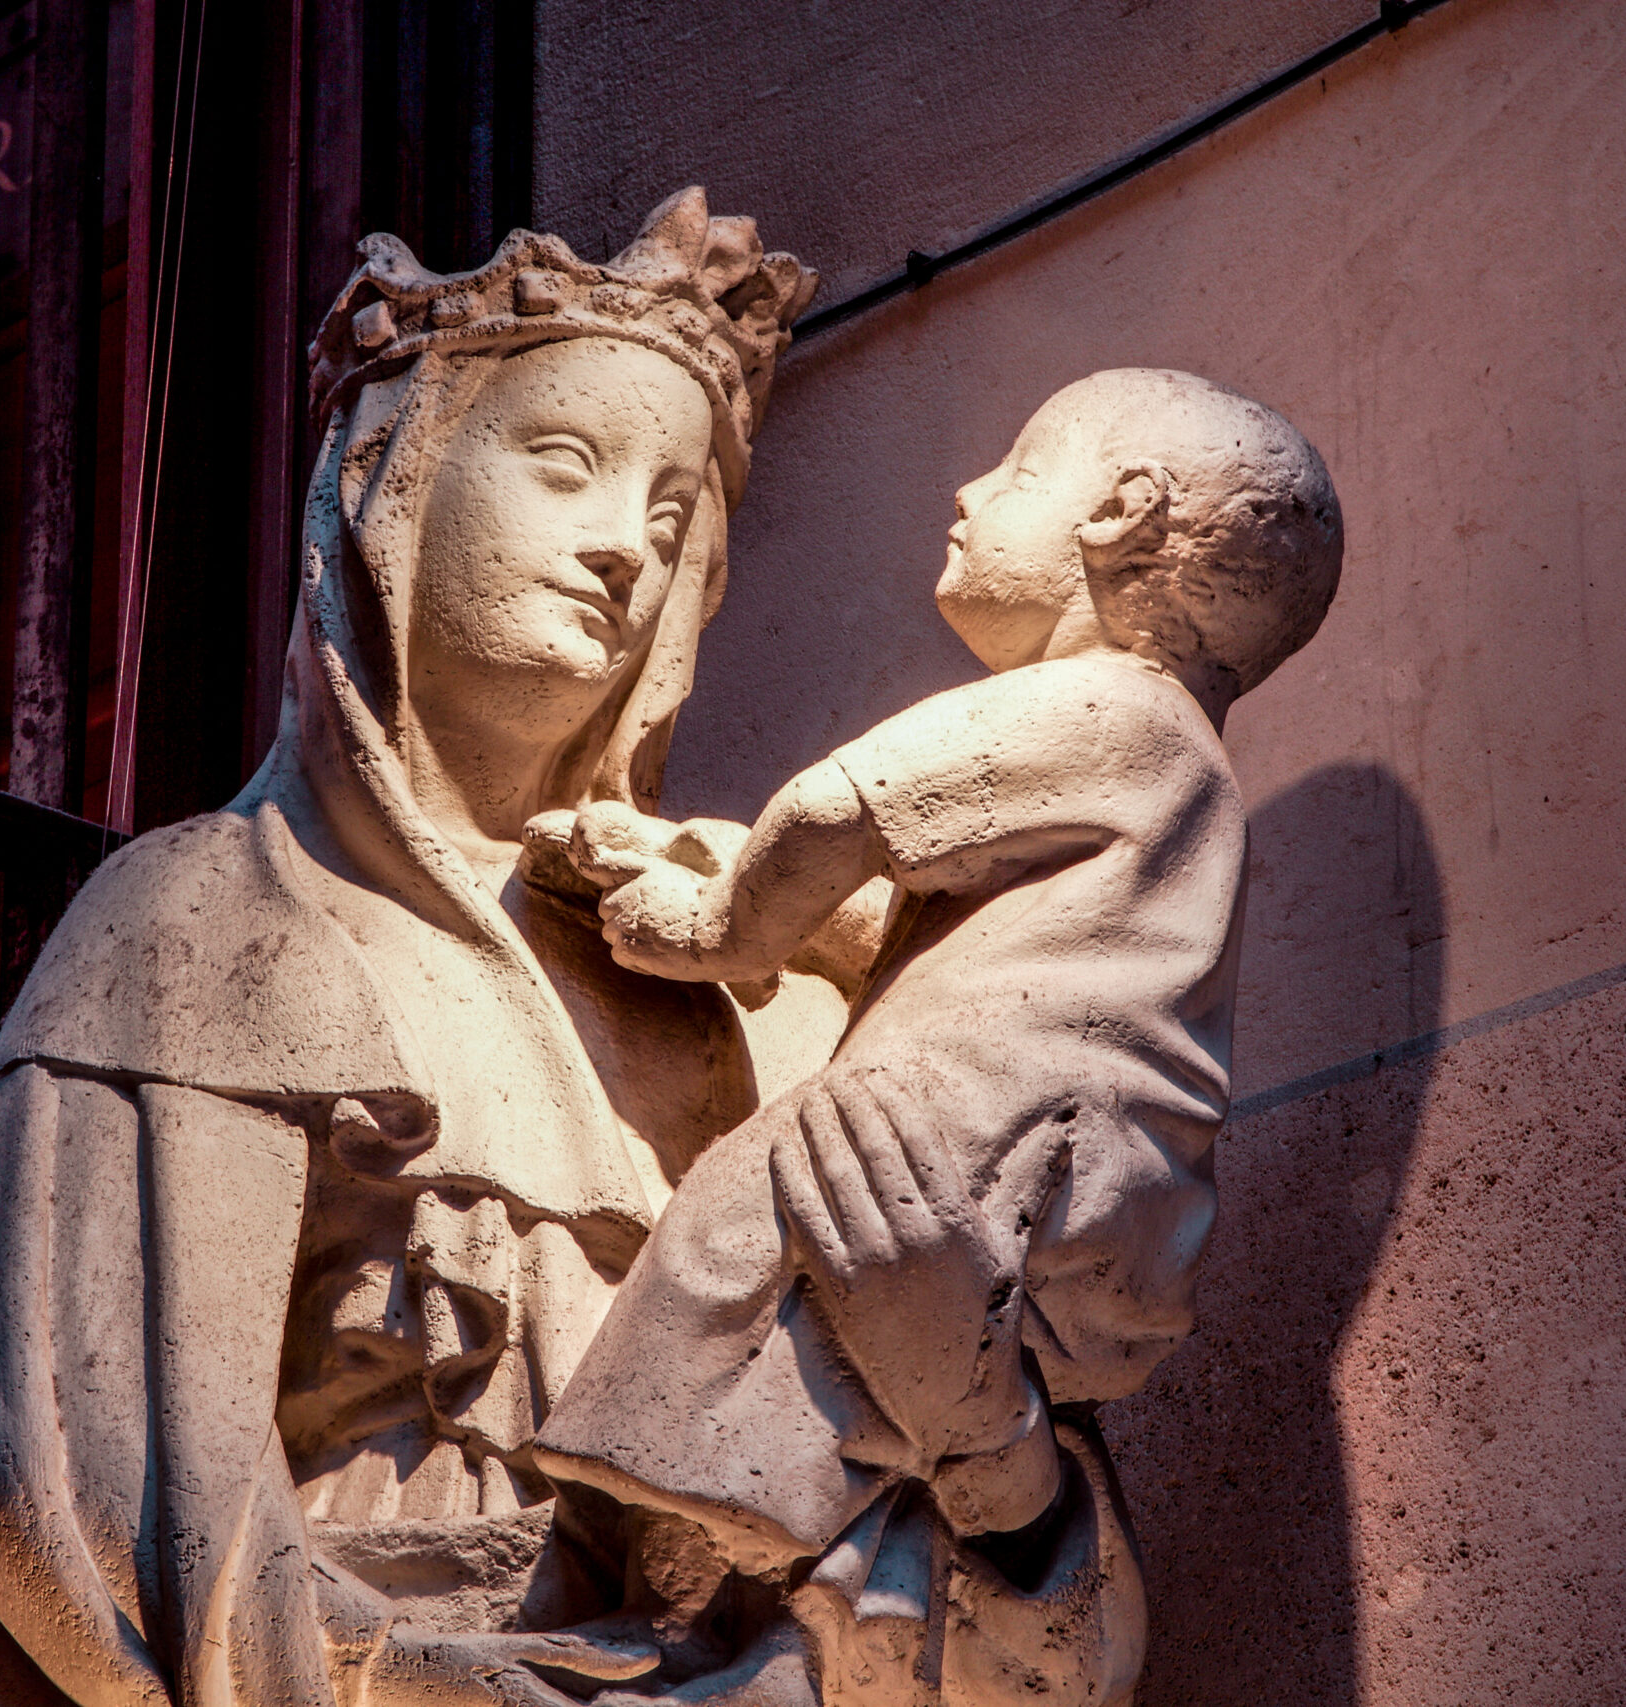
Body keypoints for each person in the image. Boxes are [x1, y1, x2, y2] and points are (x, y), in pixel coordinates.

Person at [0, 189, 817, 1707]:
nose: (619, 554)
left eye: (668, 519)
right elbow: (19, 1434)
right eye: (562, 466)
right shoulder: (206, 914)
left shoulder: (728, 990)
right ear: (395, 484)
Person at [532, 371, 1343, 1704]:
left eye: (1017, 471)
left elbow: (835, 812)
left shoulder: (1111, 703)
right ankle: (749, 1589)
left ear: (1122, 515)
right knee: (855, 1377)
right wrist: (698, 856)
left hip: (984, 1151)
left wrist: (721, 927)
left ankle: (694, 1530)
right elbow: (912, 932)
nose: (967, 494)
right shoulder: (1167, 770)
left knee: (756, 1216)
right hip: (1090, 1205)